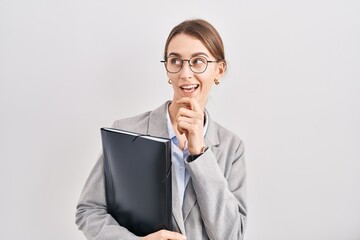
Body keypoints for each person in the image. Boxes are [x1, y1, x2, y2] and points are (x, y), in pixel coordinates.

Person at [76, 19, 247, 240]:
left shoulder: (232, 148)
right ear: (167, 69)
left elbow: (231, 236)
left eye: (198, 61)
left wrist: (200, 154)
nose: (185, 73)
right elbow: (89, 210)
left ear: (219, 70)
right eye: (175, 61)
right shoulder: (127, 132)